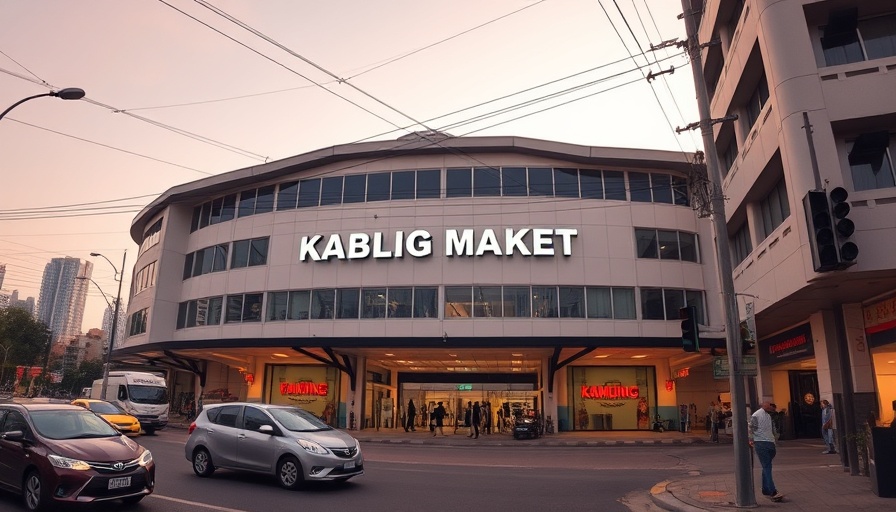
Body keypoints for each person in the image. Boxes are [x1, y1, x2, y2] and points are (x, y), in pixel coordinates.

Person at [749, 401, 784, 502]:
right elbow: (752, 428)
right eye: (768, 404)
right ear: (763, 405)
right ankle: (772, 491)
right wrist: (751, 439)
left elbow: (753, 428)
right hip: (764, 443)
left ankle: (766, 489)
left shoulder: (767, 416)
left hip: (766, 444)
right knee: (767, 467)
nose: (770, 406)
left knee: (766, 467)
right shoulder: (757, 415)